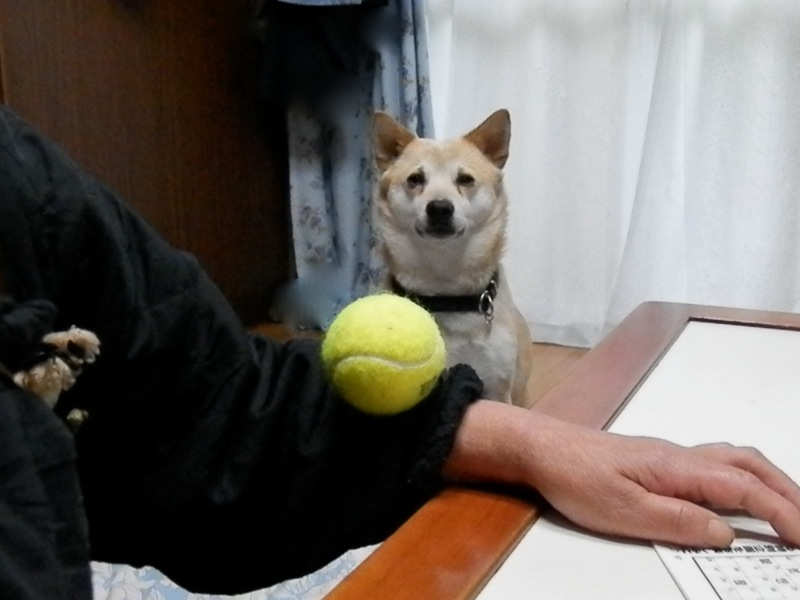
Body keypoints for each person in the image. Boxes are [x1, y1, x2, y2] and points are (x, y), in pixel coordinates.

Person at [1, 105, 799, 599]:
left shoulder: (29, 192)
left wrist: (534, 444)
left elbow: (220, 408)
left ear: (494, 185)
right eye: (416, 182)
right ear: (387, 181)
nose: (440, 199)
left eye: (462, 183)